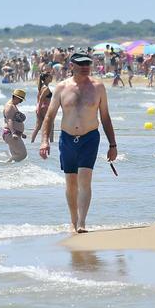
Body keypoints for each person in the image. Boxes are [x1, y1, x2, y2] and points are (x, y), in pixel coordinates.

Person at [40, 52, 118, 234]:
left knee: (85, 178)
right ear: (71, 65)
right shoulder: (61, 88)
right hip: (67, 138)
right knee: (71, 182)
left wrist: (112, 145)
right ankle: (73, 220)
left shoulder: (98, 87)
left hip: (90, 138)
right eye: (81, 64)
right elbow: (49, 116)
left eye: (87, 64)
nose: (85, 67)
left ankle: (82, 222)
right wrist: (44, 141)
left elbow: (105, 117)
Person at [3, 89, 28, 163]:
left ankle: (9, 168)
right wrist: (13, 133)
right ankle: (6, 164)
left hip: (14, 134)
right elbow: (9, 120)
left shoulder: (13, 106)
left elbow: (15, 121)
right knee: (22, 155)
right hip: (10, 134)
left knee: (16, 156)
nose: (20, 102)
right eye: (20, 100)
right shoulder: (10, 106)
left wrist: (21, 133)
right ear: (16, 97)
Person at [31, 72, 54, 143]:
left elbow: (38, 98)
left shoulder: (41, 87)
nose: (51, 78)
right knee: (51, 125)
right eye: (50, 76)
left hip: (41, 107)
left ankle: (32, 141)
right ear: (46, 78)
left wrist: (38, 108)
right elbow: (41, 99)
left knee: (38, 126)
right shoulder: (46, 88)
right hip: (45, 108)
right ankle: (51, 142)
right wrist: (38, 109)